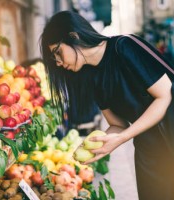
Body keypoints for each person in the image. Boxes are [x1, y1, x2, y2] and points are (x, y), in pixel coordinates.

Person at [40, 11, 174, 200]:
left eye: (58, 52)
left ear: (73, 36)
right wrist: (97, 146)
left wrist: (123, 138)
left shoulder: (125, 47)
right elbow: (118, 124)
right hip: (149, 153)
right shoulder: (93, 79)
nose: (59, 62)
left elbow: (165, 96)